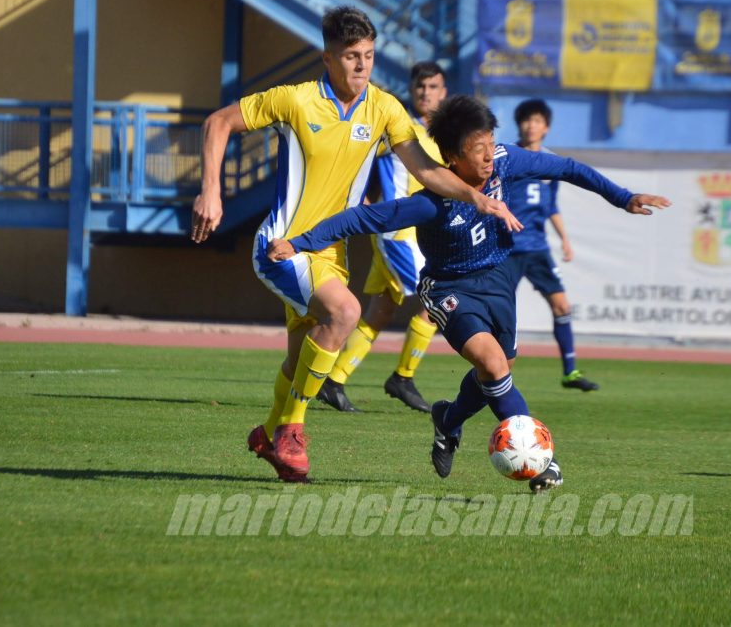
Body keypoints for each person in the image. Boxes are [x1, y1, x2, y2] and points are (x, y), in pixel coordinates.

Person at [268, 96, 671, 491]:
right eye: (477, 150)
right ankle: (540, 460)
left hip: (498, 280)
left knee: (497, 370)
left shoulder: (506, 162)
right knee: (494, 365)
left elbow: (565, 167)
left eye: (489, 143)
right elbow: (365, 217)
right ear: (452, 157)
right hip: (449, 287)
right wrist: (301, 242)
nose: (488, 156)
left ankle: (448, 419)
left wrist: (622, 197)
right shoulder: (432, 203)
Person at [190, 7, 519, 483]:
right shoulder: (295, 100)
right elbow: (217, 123)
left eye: (368, 54)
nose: (361, 65)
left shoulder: (384, 108)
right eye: (350, 56)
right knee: (345, 313)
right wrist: (211, 190)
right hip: (283, 245)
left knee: (299, 355)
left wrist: (474, 197)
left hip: (332, 257)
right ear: (328, 57)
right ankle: (293, 431)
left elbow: (425, 170)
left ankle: (268, 433)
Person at [318, 61, 449, 414]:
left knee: (381, 311)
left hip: (416, 235)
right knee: (436, 299)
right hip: (398, 232)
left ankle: (334, 381)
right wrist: (355, 197)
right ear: (412, 90)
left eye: (433, 87)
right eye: (420, 87)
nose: (426, 93)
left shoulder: (439, 136)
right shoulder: (398, 125)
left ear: (444, 92)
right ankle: (402, 377)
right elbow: (357, 154)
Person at [504, 99, 597, 392]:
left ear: (546, 127)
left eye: (537, 121)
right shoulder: (508, 157)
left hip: (537, 248)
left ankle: (570, 371)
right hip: (506, 247)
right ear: (520, 124)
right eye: (526, 120)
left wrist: (565, 239)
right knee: (502, 312)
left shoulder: (552, 162)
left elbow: (550, 206)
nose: (531, 126)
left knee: (561, 305)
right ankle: (497, 374)